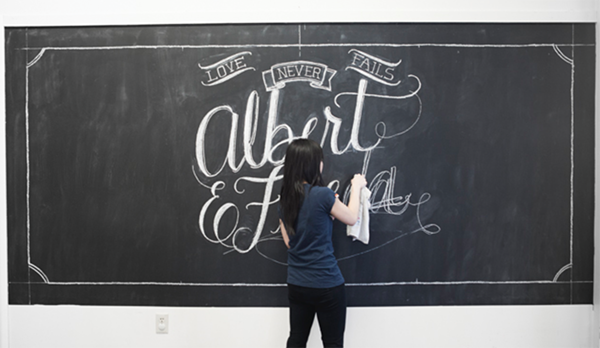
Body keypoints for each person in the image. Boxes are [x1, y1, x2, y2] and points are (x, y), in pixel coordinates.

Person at [279, 138, 367, 348]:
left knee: (297, 339)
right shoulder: (323, 195)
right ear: (312, 164)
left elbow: (290, 243)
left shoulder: (285, 199)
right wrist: (356, 187)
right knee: (333, 343)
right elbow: (352, 217)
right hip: (326, 284)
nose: (322, 164)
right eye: (320, 160)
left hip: (297, 284)